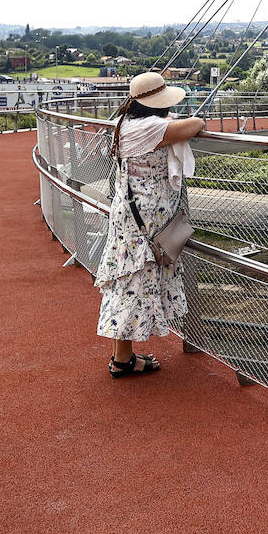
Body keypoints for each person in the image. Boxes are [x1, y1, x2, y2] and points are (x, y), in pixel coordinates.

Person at [95, 71, 206, 378]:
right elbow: (195, 125)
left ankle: (124, 355)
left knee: (128, 282)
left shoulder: (126, 124)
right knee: (136, 283)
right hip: (148, 222)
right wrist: (175, 118)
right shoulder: (152, 128)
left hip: (129, 216)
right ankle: (122, 360)